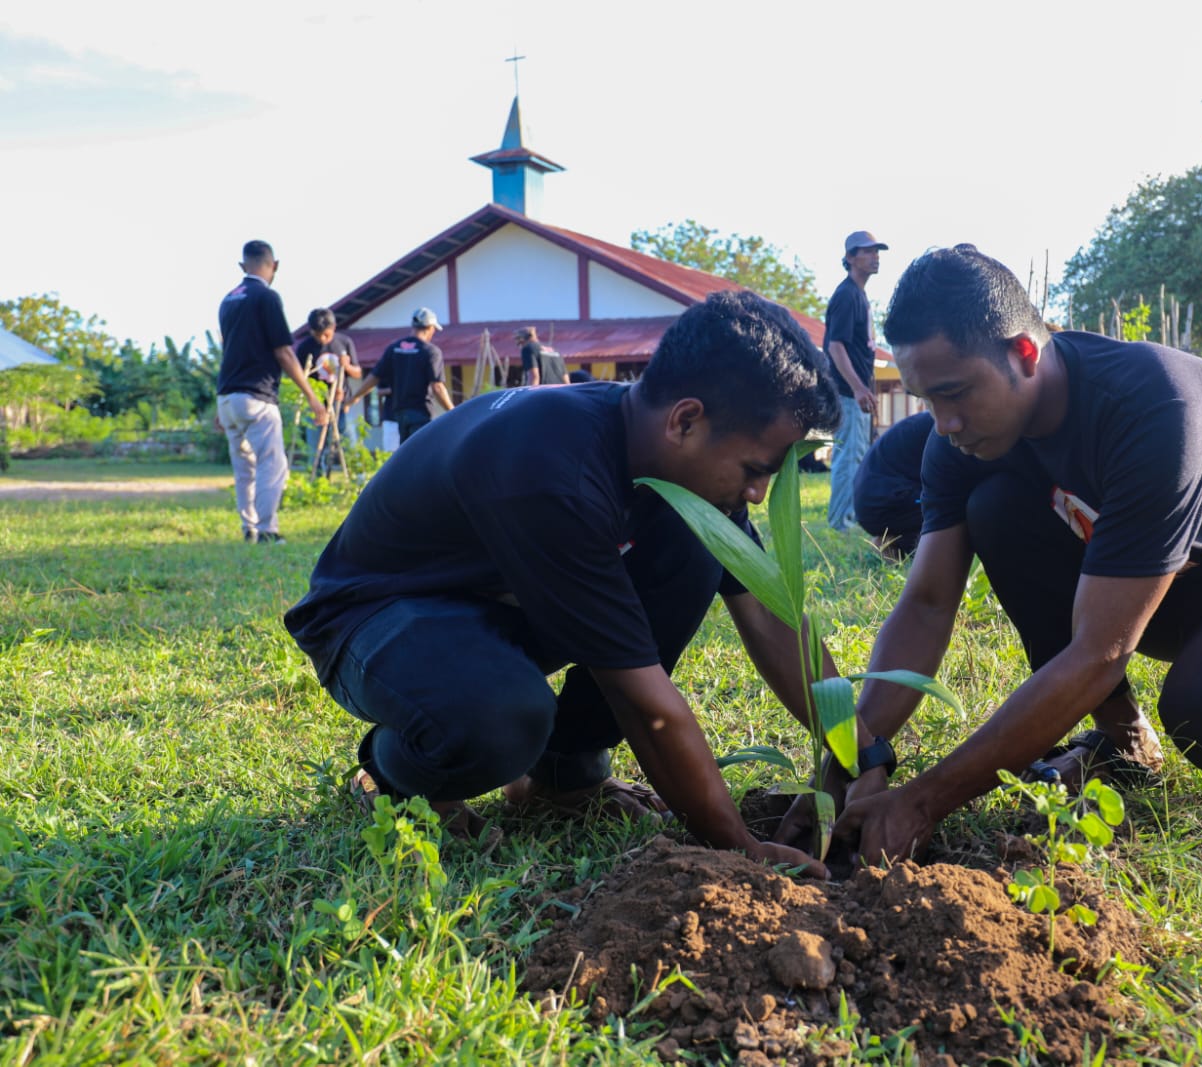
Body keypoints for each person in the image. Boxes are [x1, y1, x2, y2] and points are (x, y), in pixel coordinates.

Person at [808, 246, 1202, 865]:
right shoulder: (962, 437)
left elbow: (1099, 653)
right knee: (995, 508)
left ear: (1023, 354)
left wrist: (922, 800)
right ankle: (1123, 738)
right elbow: (924, 605)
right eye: (926, 400)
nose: (943, 423)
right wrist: (849, 762)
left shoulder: (1158, 406)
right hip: (1151, 583)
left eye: (955, 393)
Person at [284, 291, 845, 871]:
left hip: (495, 608)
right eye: (756, 472)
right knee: (503, 718)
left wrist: (858, 752)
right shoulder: (555, 468)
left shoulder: (673, 470)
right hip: (375, 618)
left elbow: (769, 614)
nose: (757, 494)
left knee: (696, 550)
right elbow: (645, 704)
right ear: (685, 420)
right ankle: (390, 774)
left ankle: (563, 777)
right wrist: (739, 849)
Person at [215, 240, 328, 544]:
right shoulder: (266, 297)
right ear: (274, 265)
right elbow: (284, 352)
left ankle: (248, 528)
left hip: (227, 396)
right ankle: (268, 530)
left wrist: (219, 404)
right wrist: (313, 397)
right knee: (272, 464)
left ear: (242, 266)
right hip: (256, 396)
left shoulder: (228, 299)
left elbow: (227, 351)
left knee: (243, 468)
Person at [825, 230, 887, 533]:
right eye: (868, 251)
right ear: (850, 258)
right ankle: (841, 523)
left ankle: (849, 518)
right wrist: (858, 387)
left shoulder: (860, 295)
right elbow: (835, 346)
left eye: (878, 251)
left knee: (858, 454)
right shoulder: (847, 295)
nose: (875, 256)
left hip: (856, 393)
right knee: (849, 456)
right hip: (847, 394)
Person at [346, 308, 454, 444]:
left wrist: (355, 397)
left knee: (405, 455)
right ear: (430, 328)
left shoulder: (394, 348)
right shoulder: (431, 351)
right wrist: (453, 411)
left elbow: (374, 377)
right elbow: (437, 386)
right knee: (422, 454)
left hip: (400, 414)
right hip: (422, 413)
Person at [853, 410, 934, 559]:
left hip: (876, 501)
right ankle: (894, 544)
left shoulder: (932, 421)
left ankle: (896, 541)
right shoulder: (944, 428)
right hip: (884, 503)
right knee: (952, 506)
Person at [295, 308, 362, 465]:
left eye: (327, 334)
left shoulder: (344, 342)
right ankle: (318, 478)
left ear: (333, 328)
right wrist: (312, 401)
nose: (323, 339)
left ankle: (358, 478)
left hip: (340, 403)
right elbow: (300, 378)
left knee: (349, 443)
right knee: (316, 449)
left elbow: (358, 373)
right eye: (318, 335)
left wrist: (348, 366)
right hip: (316, 406)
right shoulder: (305, 348)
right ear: (311, 331)